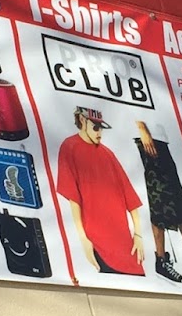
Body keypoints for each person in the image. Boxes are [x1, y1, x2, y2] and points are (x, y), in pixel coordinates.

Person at [54, 107, 145, 275]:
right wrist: (83, 239)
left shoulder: (107, 154)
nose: (99, 133)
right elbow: (74, 198)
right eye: (95, 127)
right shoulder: (70, 147)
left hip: (125, 243)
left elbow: (130, 197)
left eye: (101, 128)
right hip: (98, 243)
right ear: (82, 121)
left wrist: (138, 235)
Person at [134, 121, 182, 283]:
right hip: (149, 140)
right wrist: (142, 129)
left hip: (161, 140)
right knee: (158, 200)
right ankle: (161, 261)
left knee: (177, 199)